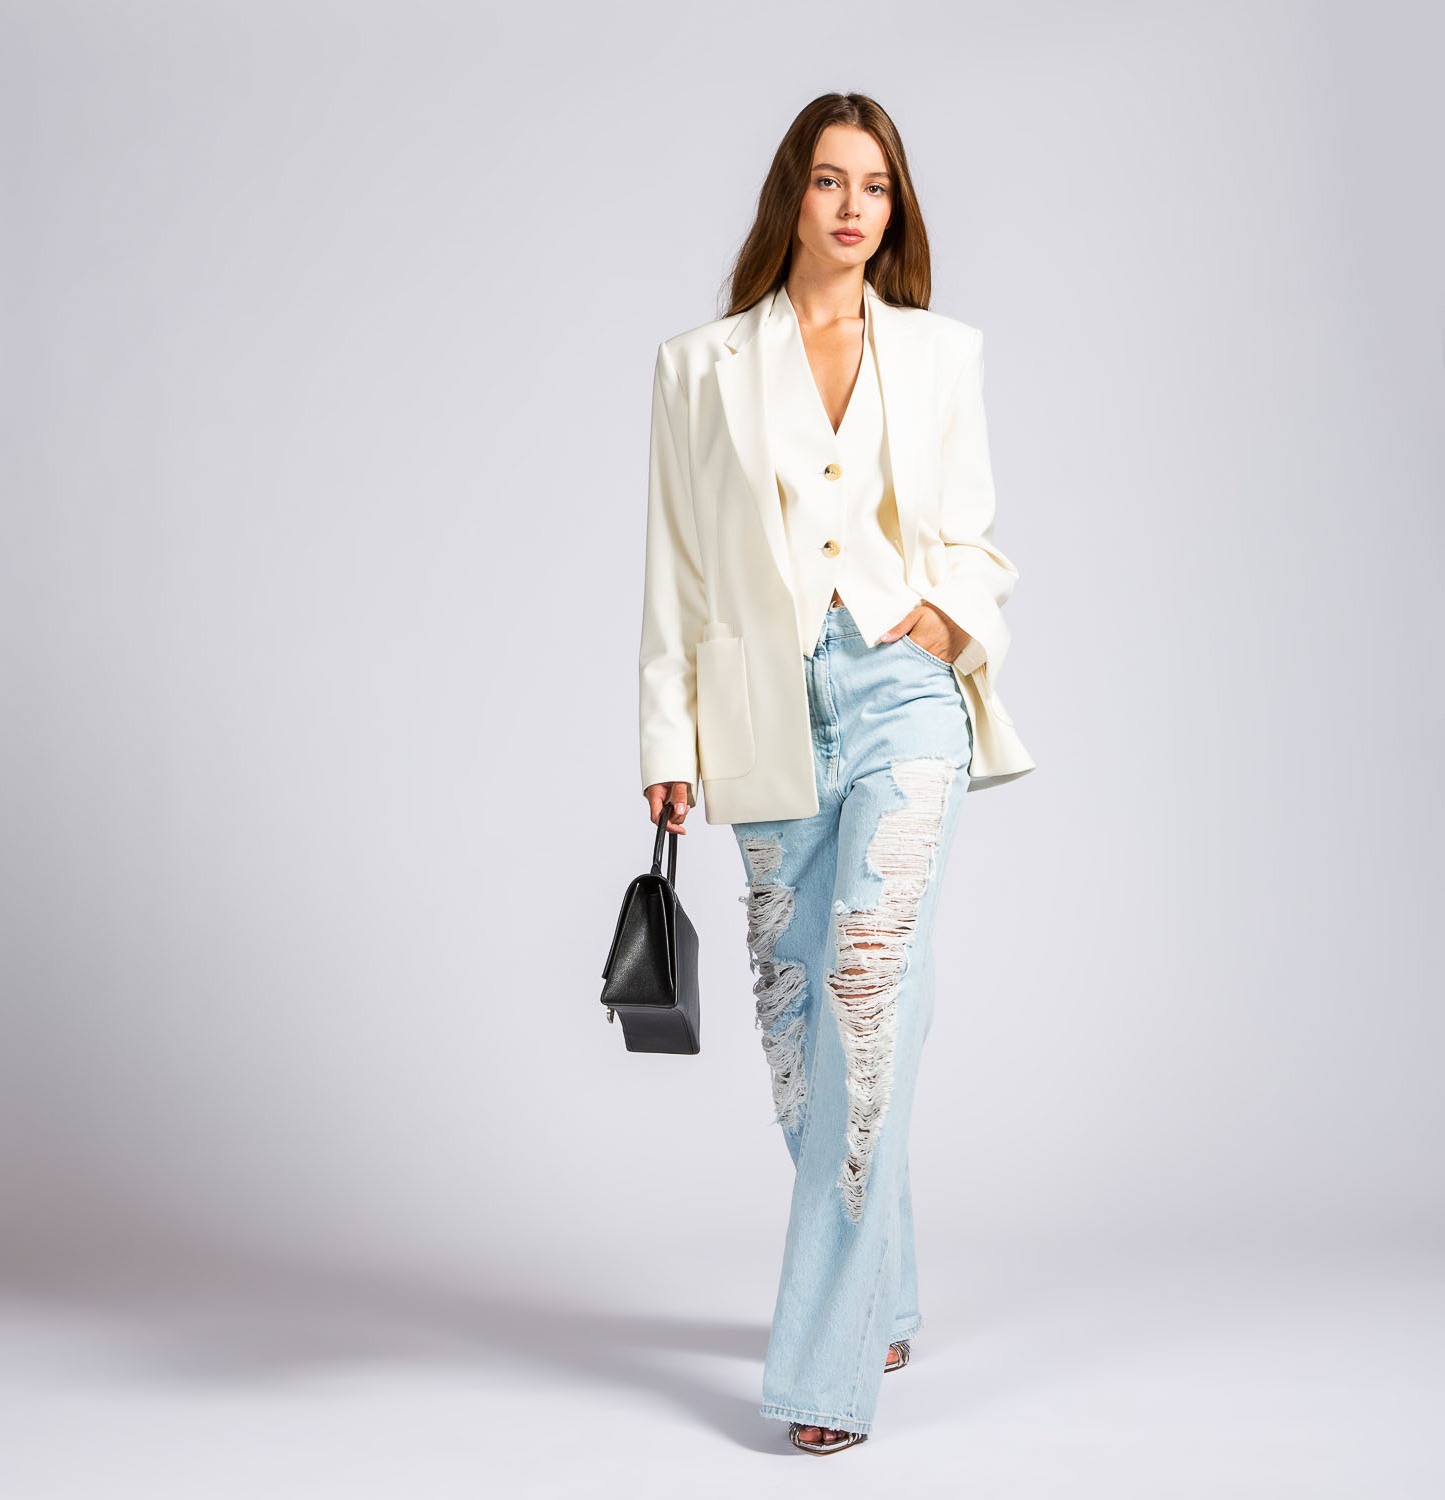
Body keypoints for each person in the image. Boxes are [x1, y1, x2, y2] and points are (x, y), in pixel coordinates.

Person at [637, 91, 1036, 1454]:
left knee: (869, 1003)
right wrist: (668, 742)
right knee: (804, 1039)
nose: (853, 206)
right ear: (791, 198)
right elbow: (674, 570)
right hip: (760, 713)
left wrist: (943, 621)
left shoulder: (939, 355)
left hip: (901, 698)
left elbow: (975, 541)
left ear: (894, 206)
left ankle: (822, 1373)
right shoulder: (698, 368)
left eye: (875, 185)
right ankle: (887, 1290)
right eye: (828, 181)